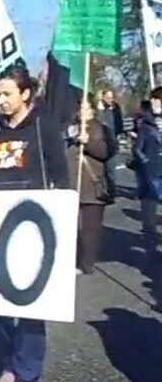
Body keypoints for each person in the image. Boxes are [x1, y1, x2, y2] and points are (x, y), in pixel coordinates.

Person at [0, 67, 69, 382]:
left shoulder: (43, 126)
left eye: (7, 94)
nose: (1, 101)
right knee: (0, 303)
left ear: (25, 95)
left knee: (32, 306)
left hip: (35, 227)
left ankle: (28, 376)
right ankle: (10, 362)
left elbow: (61, 178)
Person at [66, 96, 117, 275]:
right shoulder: (70, 127)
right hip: (72, 182)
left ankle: (86, 263)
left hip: (93, 183)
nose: (83, 112)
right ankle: (74, 258)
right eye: (81, 108)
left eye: (86, 108)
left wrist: (88, 142)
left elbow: (107, 152)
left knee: (90, 229)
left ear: (93, 110)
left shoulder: (102, 129)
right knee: (73, 227)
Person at [132, 90, 162, 260]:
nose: (156, 103)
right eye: (154, 100)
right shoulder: (146, 125)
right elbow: (137, 149)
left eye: (158, 100)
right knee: (149, 217)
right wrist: (147, 161)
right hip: (151, 173)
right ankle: (151, 249)